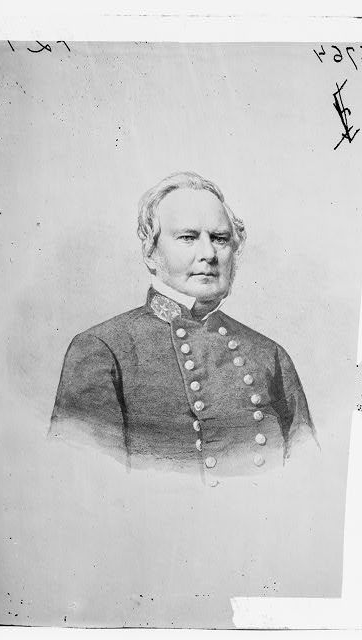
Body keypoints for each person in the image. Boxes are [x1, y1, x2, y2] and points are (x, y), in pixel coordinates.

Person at [50, 171, 318, 479]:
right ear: (151, 253)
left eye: (220, 239)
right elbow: (89, 483)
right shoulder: (102, 350)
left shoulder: (269, 355)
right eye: (188, 238)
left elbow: (307, 480)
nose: (208, 254)